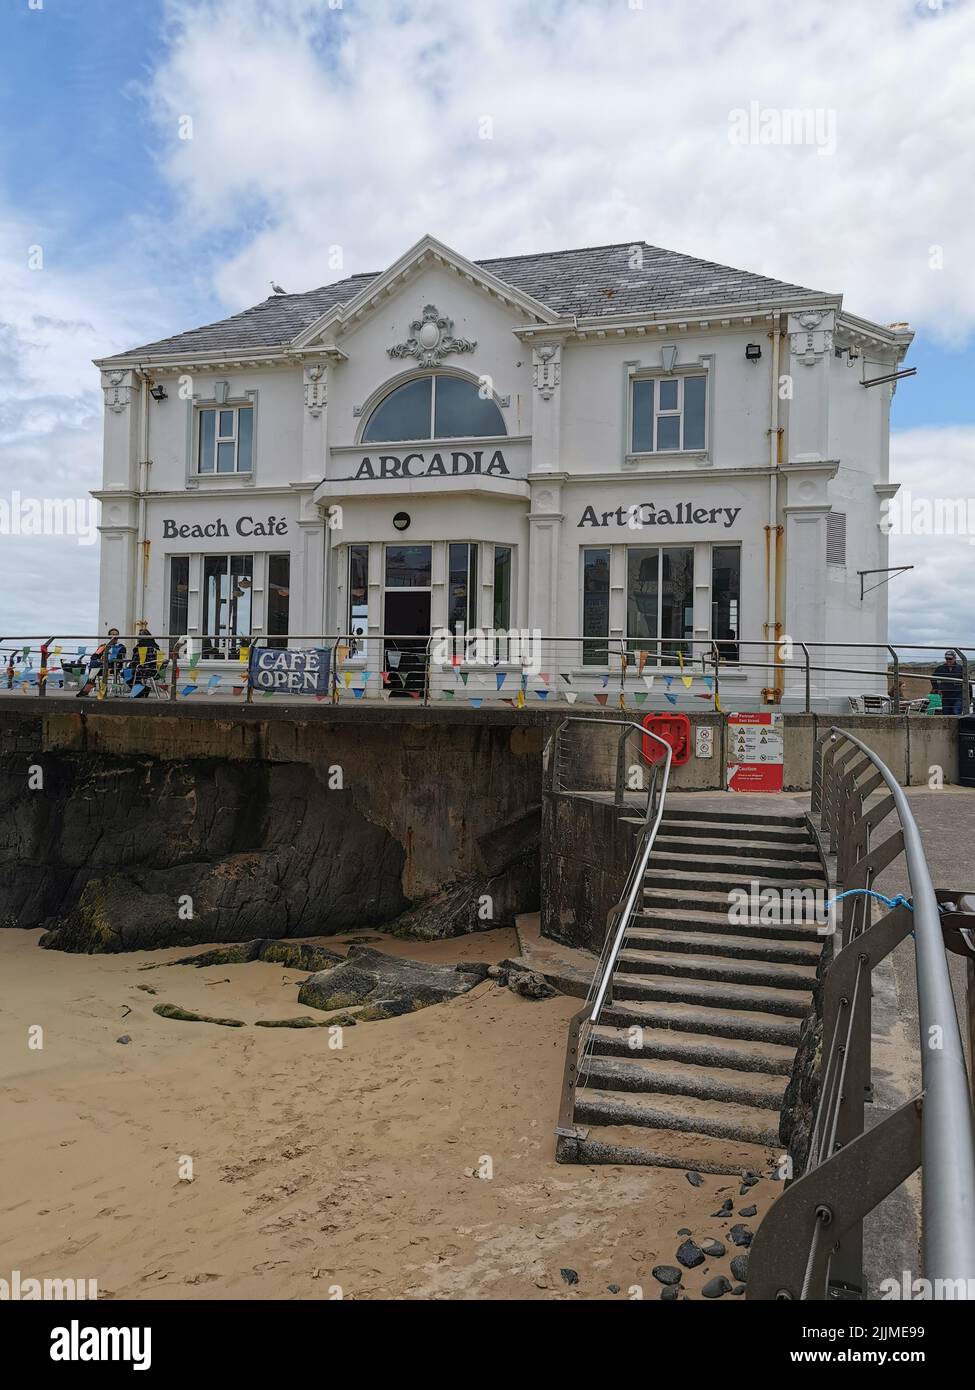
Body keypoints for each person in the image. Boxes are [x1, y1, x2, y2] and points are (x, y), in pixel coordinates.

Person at [76, 628, 126, 697]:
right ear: (108, 636)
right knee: (94, 663)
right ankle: (89, 685)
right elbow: (94, 657)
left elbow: (119, 660)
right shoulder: (103, 646)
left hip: (113, 668)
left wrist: (108, 660)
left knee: (93, 667)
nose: (114, 637)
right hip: (100, 667)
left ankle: (88, 687)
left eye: (116, 635)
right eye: (112, 635)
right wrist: (100, 660)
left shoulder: (121, 647)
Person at [124, 622, 160, 697]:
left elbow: (135, 662)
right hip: (155, 671)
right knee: (132, 672)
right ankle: (141, 690)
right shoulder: (156, 647)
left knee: (125, 673)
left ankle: (142, 690)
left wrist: (129, 665)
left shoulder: (141, 647)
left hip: (143, 670)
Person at [931, 649, 964, 716]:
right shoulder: (941, 668)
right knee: (946, 713)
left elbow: (967, 681)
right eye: (947, 658)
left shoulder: (960, 668)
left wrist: (968, 696)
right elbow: (933, 678)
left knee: (956, 712)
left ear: (955, 658)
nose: (948, 660)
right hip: (946, 694)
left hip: (957, 694)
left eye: (950, 658)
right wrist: (937, 689)